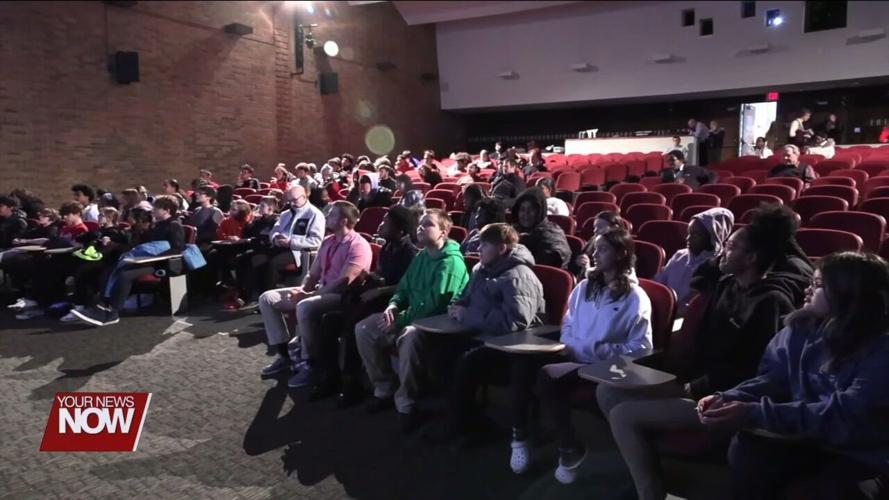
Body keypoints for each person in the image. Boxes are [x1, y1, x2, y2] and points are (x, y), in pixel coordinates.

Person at [596, 206, 806, 500]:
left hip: (724, 398)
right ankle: (649, 470)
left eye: (732, 247)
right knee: (607, 392)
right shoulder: (727, 284)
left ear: (752, 258)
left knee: (623, 415)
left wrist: (696, 387)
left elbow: (756, 371)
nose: (723, 251)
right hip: (695, 381)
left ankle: (650, 493)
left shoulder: (771, 301)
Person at [702, 253, 889, 500]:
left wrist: (754, 412)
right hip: (805, 438)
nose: (807, 289)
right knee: (748, 449)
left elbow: (844, 415)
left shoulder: (881, 349)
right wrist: (727, 397)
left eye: (819, 285)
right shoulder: (799, 328)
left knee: (832, 492)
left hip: (859, 451)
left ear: (850, 294)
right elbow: (774, 379)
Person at [532, 228, 653, 483]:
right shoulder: (584, 287)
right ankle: (525, 434)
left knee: (548, 377)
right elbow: (568, 323)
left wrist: (595, 351)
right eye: (594, 248)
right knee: (528, 362)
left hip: (604, 367)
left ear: (621, 254)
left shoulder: (635, 297)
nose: (594, 254)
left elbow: (642, 346)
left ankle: (570, 447)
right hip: (574, 357)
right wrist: (573, 345)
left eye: (603, 249)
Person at [423, 223, 546, 446]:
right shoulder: (481, 269)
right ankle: (469, 416)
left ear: (502, 249)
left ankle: (459, 424)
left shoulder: (519, 276)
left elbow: (515, 322)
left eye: (485, 244)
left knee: (466, 363)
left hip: (509, 348)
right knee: (439, 353)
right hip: (481, 335)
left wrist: (467, 315)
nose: (479, 249)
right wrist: (459, 304)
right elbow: (470, 298)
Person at [355, 209, 469, 433]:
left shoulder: (451, 263)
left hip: (436, 325)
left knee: (409, 335)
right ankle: (384, 388)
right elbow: (403, 288)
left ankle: (406, 404)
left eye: (427, 225)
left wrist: (397, 321)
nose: (419, 227)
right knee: (364, 328)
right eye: (420, 224)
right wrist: (393, 305)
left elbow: (431, 306)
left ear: (443, 232)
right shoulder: (422, 256)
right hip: (409, 316)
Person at [258, 201, 373, 390]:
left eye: (332, 215)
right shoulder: (328, 241)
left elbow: (343, 282)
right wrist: (302, 289)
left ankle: (309, 362)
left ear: (344, 221)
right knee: (267, 299)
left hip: (342, 297)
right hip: (320, 291)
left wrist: (309, 295)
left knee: (305, 305)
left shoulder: (358, 245)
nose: (327, 217)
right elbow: (313, 274)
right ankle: (285, 355)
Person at [336, 205, 420, 406]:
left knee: (354, 325)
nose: (381, 225)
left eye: (387, 223)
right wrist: (371, 277)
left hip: (396, 303)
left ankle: (354, 382)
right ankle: (339, 376)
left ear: (400, 230)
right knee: (340, 315)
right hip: (380, 297)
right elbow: (383, 274)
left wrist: (380, 290)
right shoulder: (387, 248)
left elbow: (405, 286)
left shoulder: (411, 254)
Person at [71, 196, 186, 327]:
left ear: (167, 210)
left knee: (125, 276)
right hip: (146, 261)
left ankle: (113, 312)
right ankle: (103, 306)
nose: (153, 210)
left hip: (162, 264)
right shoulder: (157, 226)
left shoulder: (174, 226)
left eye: (156, 208)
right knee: (113, 269)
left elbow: (178, 249)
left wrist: (152, 257)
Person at [233, 185, 325, 309]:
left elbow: (316, 241)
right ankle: (249, 296)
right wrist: (276, 238)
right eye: (290, 200)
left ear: (304, 196)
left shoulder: (314, 214)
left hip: (297, 251)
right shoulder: (285, 214)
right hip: (278, 247)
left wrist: (291, 242)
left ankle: (268, 301)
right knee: (254, 258)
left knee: (273, 263)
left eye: (295, 200)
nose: (292, 203)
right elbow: (274, 232)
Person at [655, 208, 733, 315]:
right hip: (664, 310)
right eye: (689, 233)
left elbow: (702, 306)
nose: (688, 238)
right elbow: (660, 281)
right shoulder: (679, 255)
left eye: (696, 235)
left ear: (712, 237)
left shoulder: (719, 266)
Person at [513, 188, 571, 268]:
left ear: (540, 211)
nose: (526, 214)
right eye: (522, 210)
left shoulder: (553, 234)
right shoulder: (515, 231)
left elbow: (546, 267)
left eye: (531, 209)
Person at [570, 211, 628, 279]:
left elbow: (612, 276)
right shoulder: (593, 240)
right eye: (595, 227)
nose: (595, 230)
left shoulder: (623, 248)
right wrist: (578, 262)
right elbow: (575, 263)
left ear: (615, 228)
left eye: (600, 227)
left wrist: (588, 269)